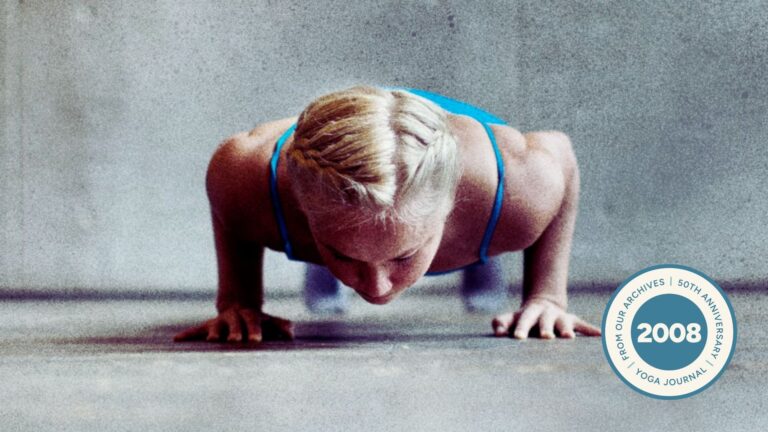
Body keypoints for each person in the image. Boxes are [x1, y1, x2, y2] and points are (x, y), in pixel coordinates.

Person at [174, 86, 602, 343]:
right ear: (301, 210)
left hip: (475, 207)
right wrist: (238, 301)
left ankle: (473, 258)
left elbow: (561, 152)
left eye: (404, 256)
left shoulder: (519, 186)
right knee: (365, 236)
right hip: (335, 160)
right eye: (342, 255)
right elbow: (226, 184)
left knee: (504, 231)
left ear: (455, 207)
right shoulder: (245, 176)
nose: (377, 289)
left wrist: (547, 296)